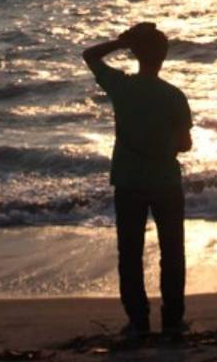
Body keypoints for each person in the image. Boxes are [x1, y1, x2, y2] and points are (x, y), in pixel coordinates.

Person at [82, 22, 193, 338]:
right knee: (172, 252)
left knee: (130, 253)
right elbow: (185, 144)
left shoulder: (122, 87)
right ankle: (172, 319)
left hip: (129, 180)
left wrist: (122, 42)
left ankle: (138, 320)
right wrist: (164, 146)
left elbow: (89, 55)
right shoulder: (174, 95)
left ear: (136, 54)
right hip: (166, 181)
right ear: (164, 57)